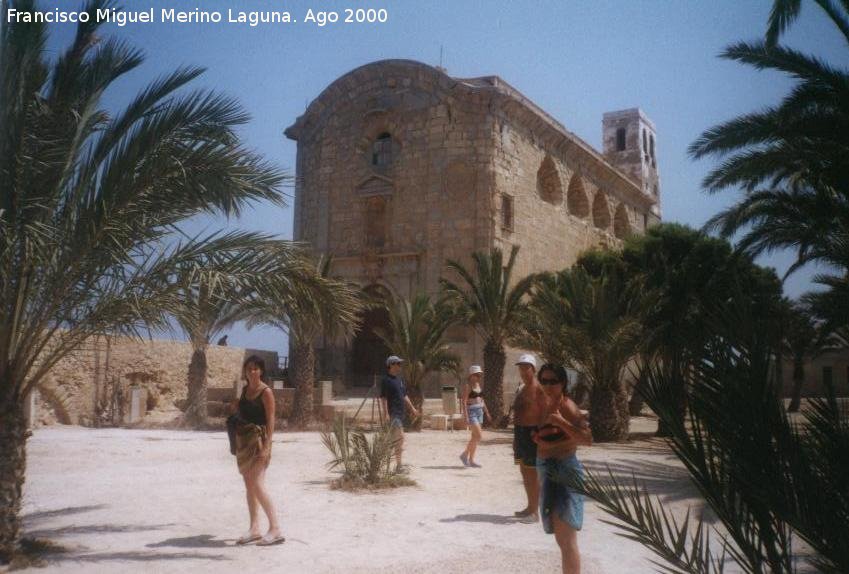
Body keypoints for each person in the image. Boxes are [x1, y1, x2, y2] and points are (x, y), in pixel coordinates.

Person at [533, 363, 592, 574]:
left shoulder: (567, 406)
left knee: (567, 541)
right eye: (544, 381)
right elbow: (544, 437)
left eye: (553, 381)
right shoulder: (543, 404)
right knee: (560, 539)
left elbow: (587, 439)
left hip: (564, 472)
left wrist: (561, 421)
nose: (548, 385)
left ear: (563, 383)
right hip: (547, 471)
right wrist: (539, 439)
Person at [233, 355, 284, 546]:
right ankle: (254, 528)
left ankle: (275, 528)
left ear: (261, 370)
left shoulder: (266, 392)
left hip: (260, 442)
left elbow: (271, 419)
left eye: (255, 368)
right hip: (244, 442)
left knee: (257, 483)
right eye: (249, 368)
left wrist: (268, 446)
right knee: (249, 485)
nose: (252, 371)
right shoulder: (245, 390)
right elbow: (243, 413)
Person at [512, 353, 546, 522]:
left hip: (532, 434)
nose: (523, 371)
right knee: (524, 472)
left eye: (526, 368)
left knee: (532, 474)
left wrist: (540, 434)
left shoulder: (539, 389)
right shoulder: (522, 388)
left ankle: (535, 513)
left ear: (534, 369)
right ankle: (530, 506)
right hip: (520, 433)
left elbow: (545, 414)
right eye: (521, 368)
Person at [379, 355, 419, 471]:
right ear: (391, 365)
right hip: (393, 413)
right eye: (398, 364)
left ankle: (395, 464)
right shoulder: (386, 380)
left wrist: (412, 408)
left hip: (401, 413)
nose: (400, 366)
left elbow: (404, 395)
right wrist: (385, 414)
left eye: (400, 364)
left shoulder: (399, 380)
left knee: (394, 440)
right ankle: (399, 465)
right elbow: (384, 398)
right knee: (400, 437)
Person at [459, 364, 491, 467]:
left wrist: (487, 412)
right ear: (471, 375)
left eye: (479, 375)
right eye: (476, 375)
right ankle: (464, 454)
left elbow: (482, 400)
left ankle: (471, 460)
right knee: (478, 435)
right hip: (472, 412)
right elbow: (463, 402)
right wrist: (466, 416)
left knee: (474, 437)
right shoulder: (468, 386)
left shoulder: (478, 386)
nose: (478, 377)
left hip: (479, 412)